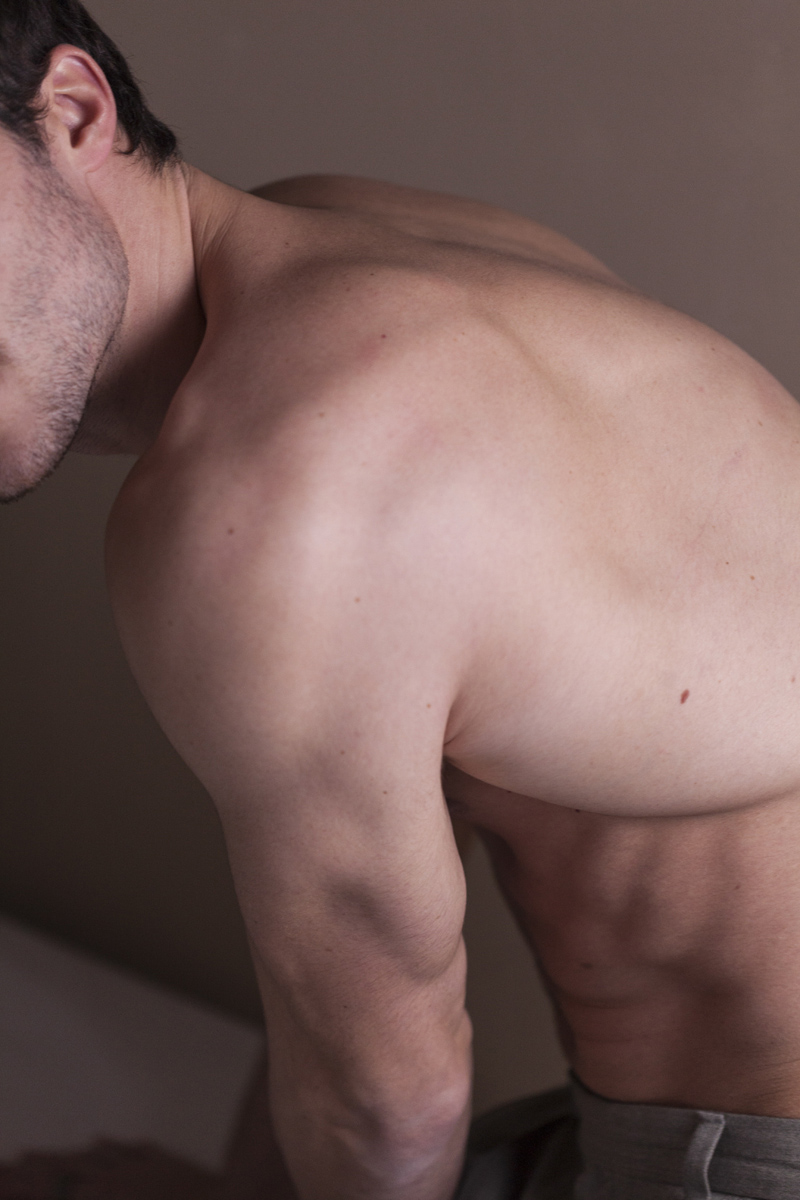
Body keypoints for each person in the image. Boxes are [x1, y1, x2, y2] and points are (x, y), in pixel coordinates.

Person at [3, 2, 800, 1198]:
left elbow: (387, 1107)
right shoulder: (337, 235)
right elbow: (352, 981)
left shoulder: (267, 493)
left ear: (73, 111)